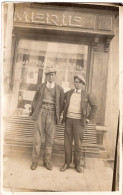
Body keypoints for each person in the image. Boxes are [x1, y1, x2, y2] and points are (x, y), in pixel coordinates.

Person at [60, 74, 97, 173]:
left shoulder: (86, 94)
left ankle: (77, 164)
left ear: (83, 84)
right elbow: (61, 103)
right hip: (68, 120)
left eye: (79, 82)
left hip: (79, 123)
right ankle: (67, 163)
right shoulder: (68, 93)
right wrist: (61, 114)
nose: (77, 84)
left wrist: (88, 119)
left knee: (78, 144)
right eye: (75, 82)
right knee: (67, 143)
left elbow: (94, 107)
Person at [29, 66, 64, 171]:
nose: (51, 76)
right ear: (46, 76)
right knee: (37, 139)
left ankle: (47, 161)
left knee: (49, 140)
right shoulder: (41, 87)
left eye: (52, 74)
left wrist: (59, 114)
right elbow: (35, 100)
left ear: (55, 76)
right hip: (41, 113)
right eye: (48, 75)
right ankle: (35, 161)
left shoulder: (59, 89)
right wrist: (33, 111)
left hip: (52, 115)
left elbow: (61, 103)